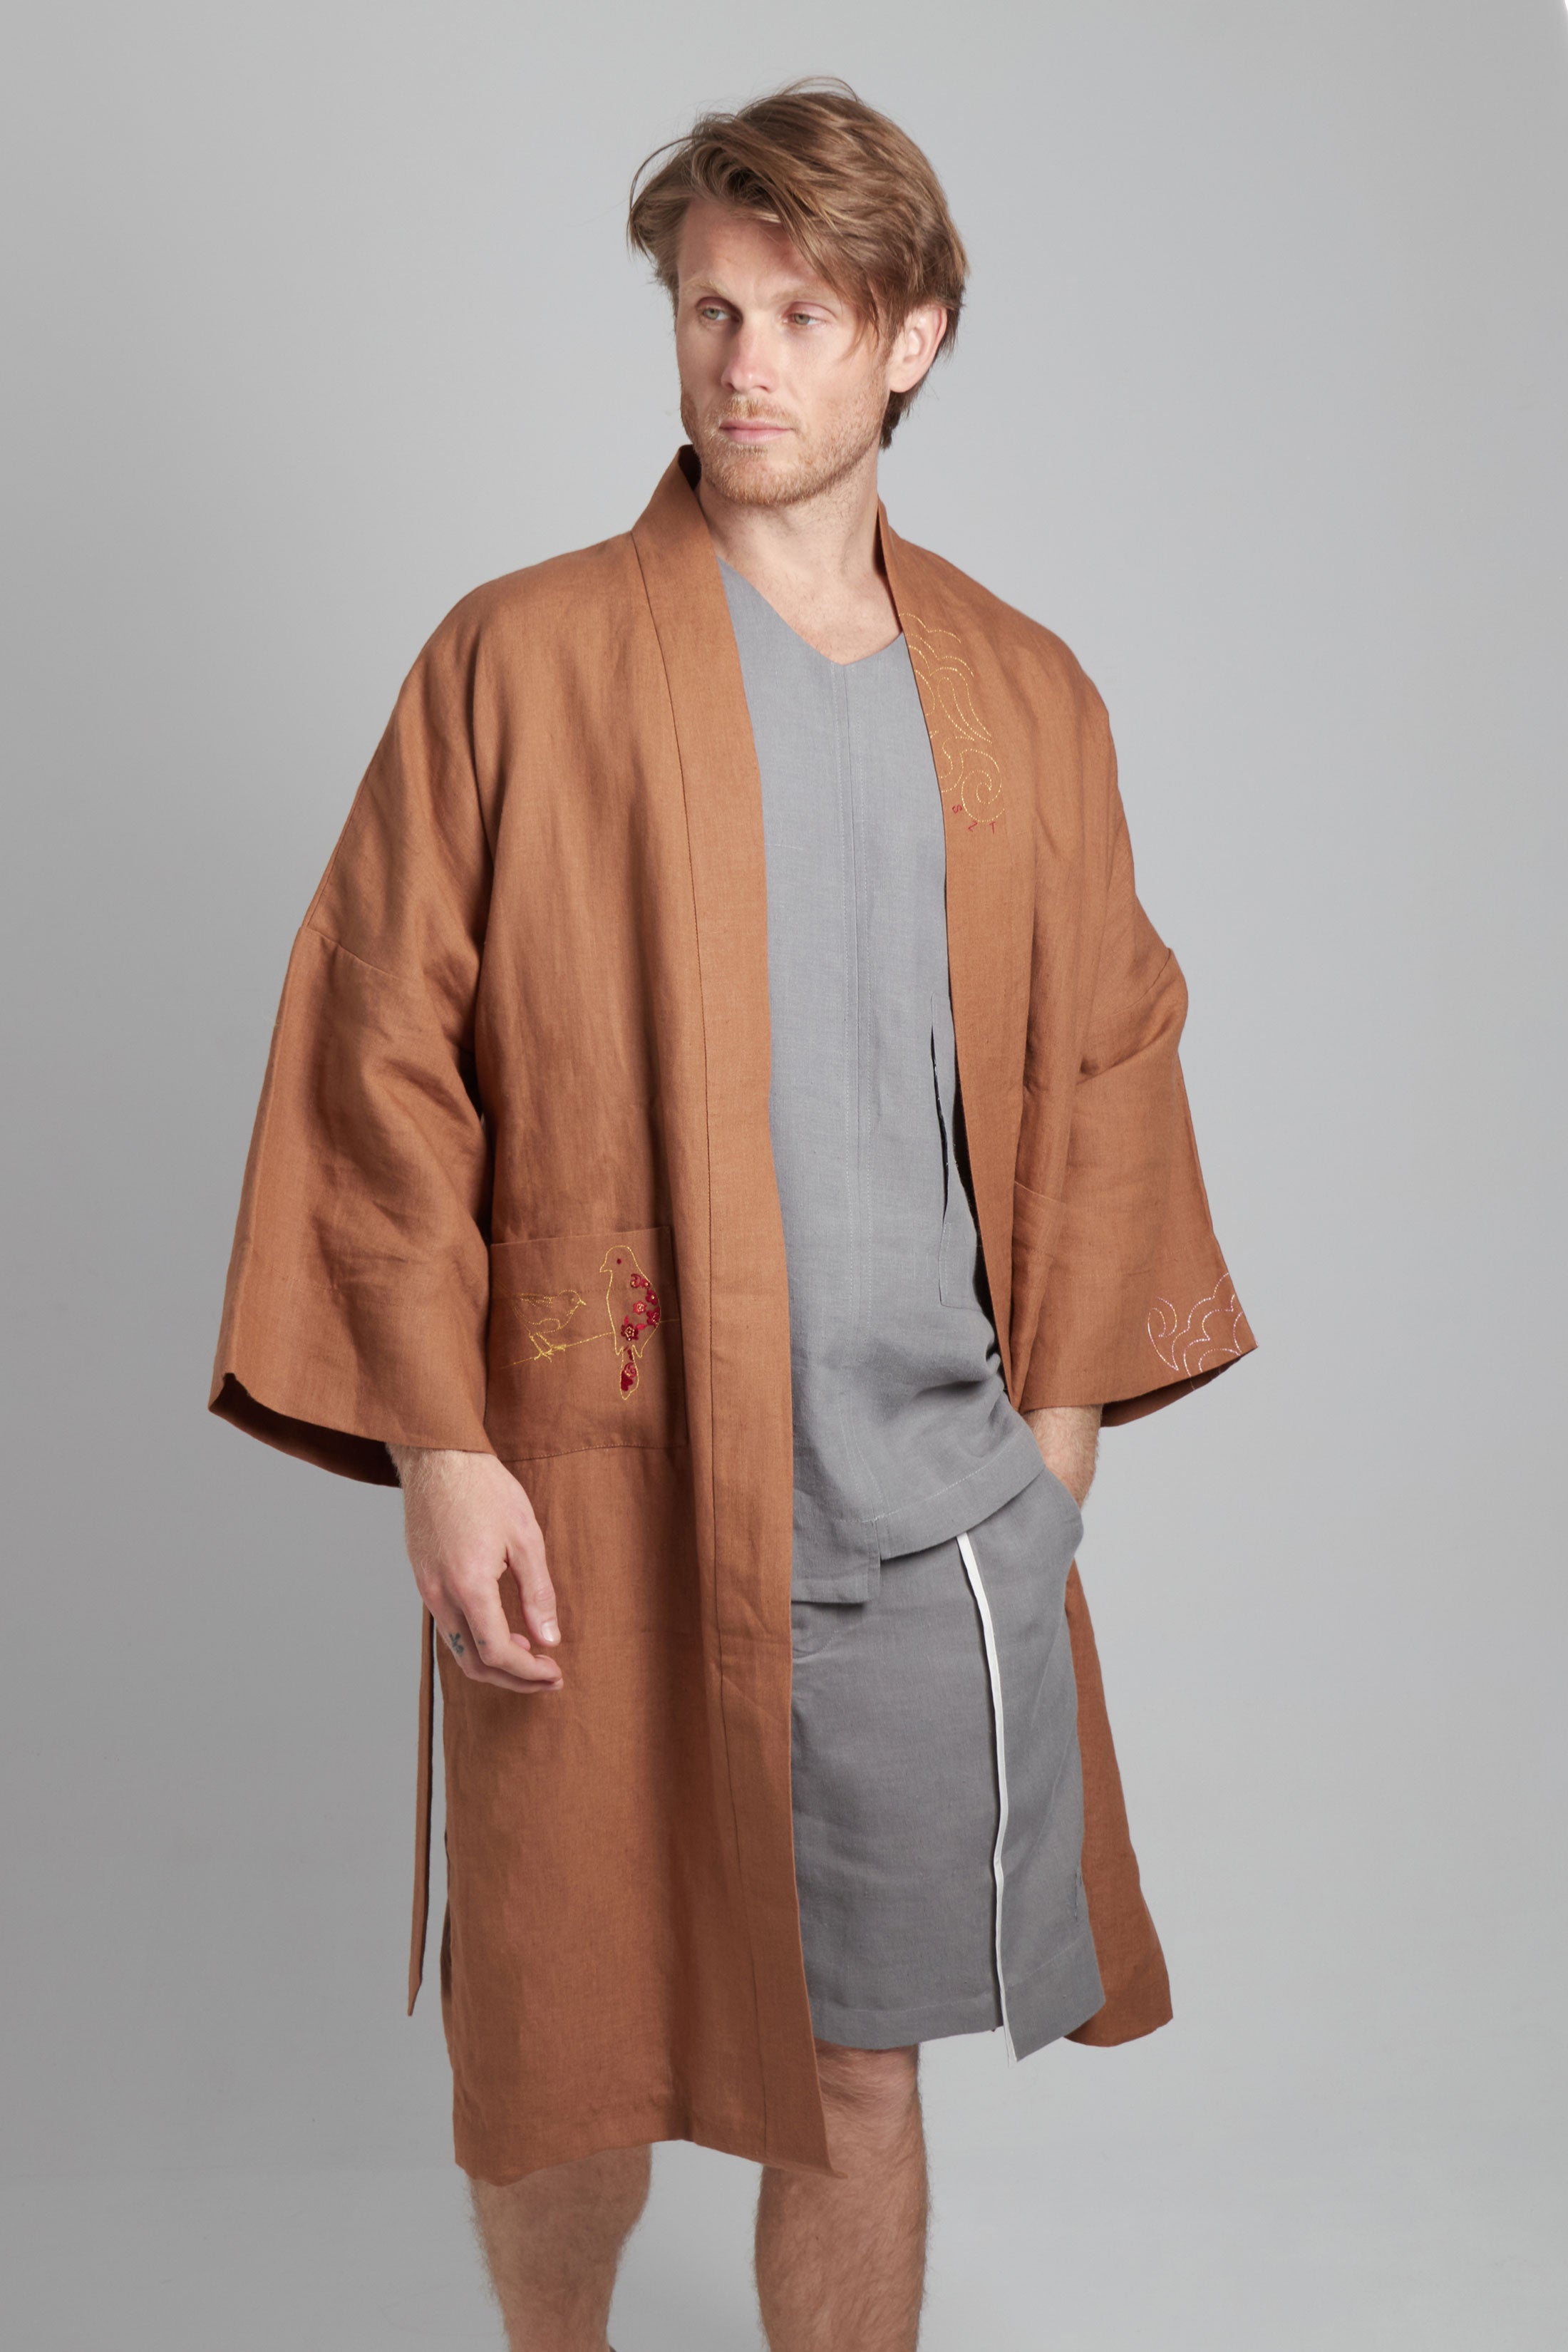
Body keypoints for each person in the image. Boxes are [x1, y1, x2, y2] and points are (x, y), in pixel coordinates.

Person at [210, 78, 1254, 2352]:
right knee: (563, 2056)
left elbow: (1114, 1055)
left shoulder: (1028, 698)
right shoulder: (521, 660)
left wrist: (1055, 1449)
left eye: (802, 314)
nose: (745, 361)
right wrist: (445, 1448)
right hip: (601, 1483)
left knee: (859, 2075)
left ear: (915, 338)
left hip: (923, 1517)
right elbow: (378, 1047)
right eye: (709, 308)